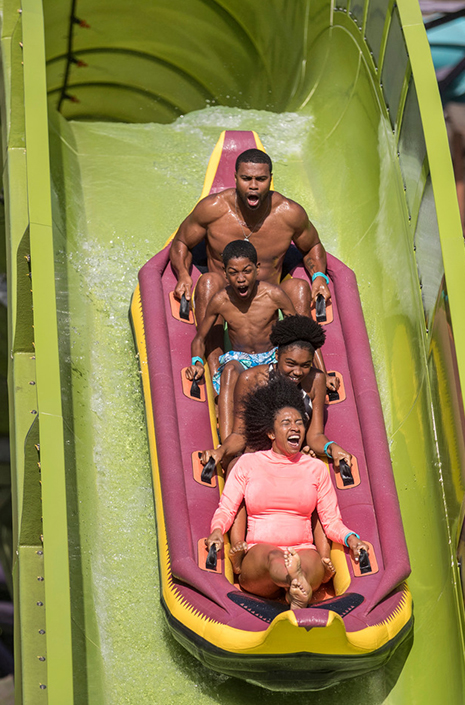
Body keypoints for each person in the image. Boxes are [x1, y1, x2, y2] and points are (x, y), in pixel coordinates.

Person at [201, 315, 356, 573]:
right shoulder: (252, 379)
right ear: (276, 357)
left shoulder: (315, 380)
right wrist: (221, 452)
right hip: (256, 452)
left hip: (294, 454)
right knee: (240, 466)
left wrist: (331, 448)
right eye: (291, 364)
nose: (298, 372)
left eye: (305, 365)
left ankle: (321, 554)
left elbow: (315, 435)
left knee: (312, 476)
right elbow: (240, 434)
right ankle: (238, 549)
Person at [205, 377, 368, 609]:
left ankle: (298, 585)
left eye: (299, 422)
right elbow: (227, 508)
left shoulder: (316, 469)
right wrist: (216, 531)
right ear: (271, 433)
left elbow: (331, 521)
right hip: (259, 552)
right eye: (286, 423)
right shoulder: (248, 464)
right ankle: (295, 583)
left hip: (303, 549)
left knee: (311, 562)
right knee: (275, 558)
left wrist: (352, 539)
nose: (295, 428)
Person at [170, 149, 332, 369]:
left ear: (271, 180)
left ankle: (309, 369)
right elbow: (181, 242)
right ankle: (214, 368)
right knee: (209, 282)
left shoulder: (289, 213)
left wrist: (319, 277)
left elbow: (312, 246)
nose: (253, 186)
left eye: (261, 179)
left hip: (268, 302)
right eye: (246, 179)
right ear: (235, 178)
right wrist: (183, 276)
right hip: (222, 300)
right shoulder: (213, 209)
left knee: (299, 288)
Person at [187, 240, 296, 434]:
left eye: (246, 271)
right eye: (233, 272)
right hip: (240, 359)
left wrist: (320, 371)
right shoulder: (221, 300)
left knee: (279, 377)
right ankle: (228, 438)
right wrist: (196, 362)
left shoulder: (273, 295)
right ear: (225, 273)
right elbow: (200, 338)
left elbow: (301, 333)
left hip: (271, 355)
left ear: (257, 268)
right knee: (229, 371)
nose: (241, 279)